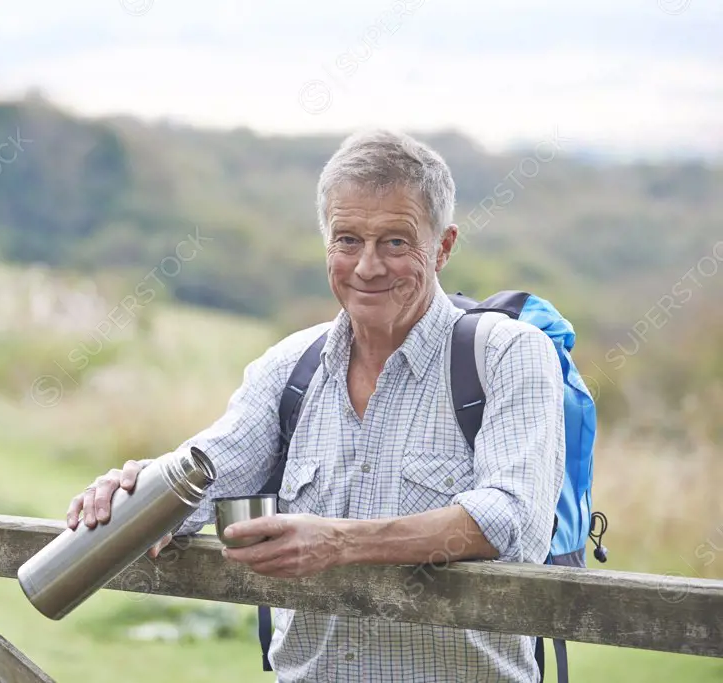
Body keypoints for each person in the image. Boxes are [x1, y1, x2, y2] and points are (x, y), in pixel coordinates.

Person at [66, 128, 565, 682]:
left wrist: (338, 542)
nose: (368, 266)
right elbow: (207, 473)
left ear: (443, 246)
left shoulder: (507, 355)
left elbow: (513, 520)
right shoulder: (290, 367)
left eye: (396, 242)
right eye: (347, 239)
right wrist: (141, 489)